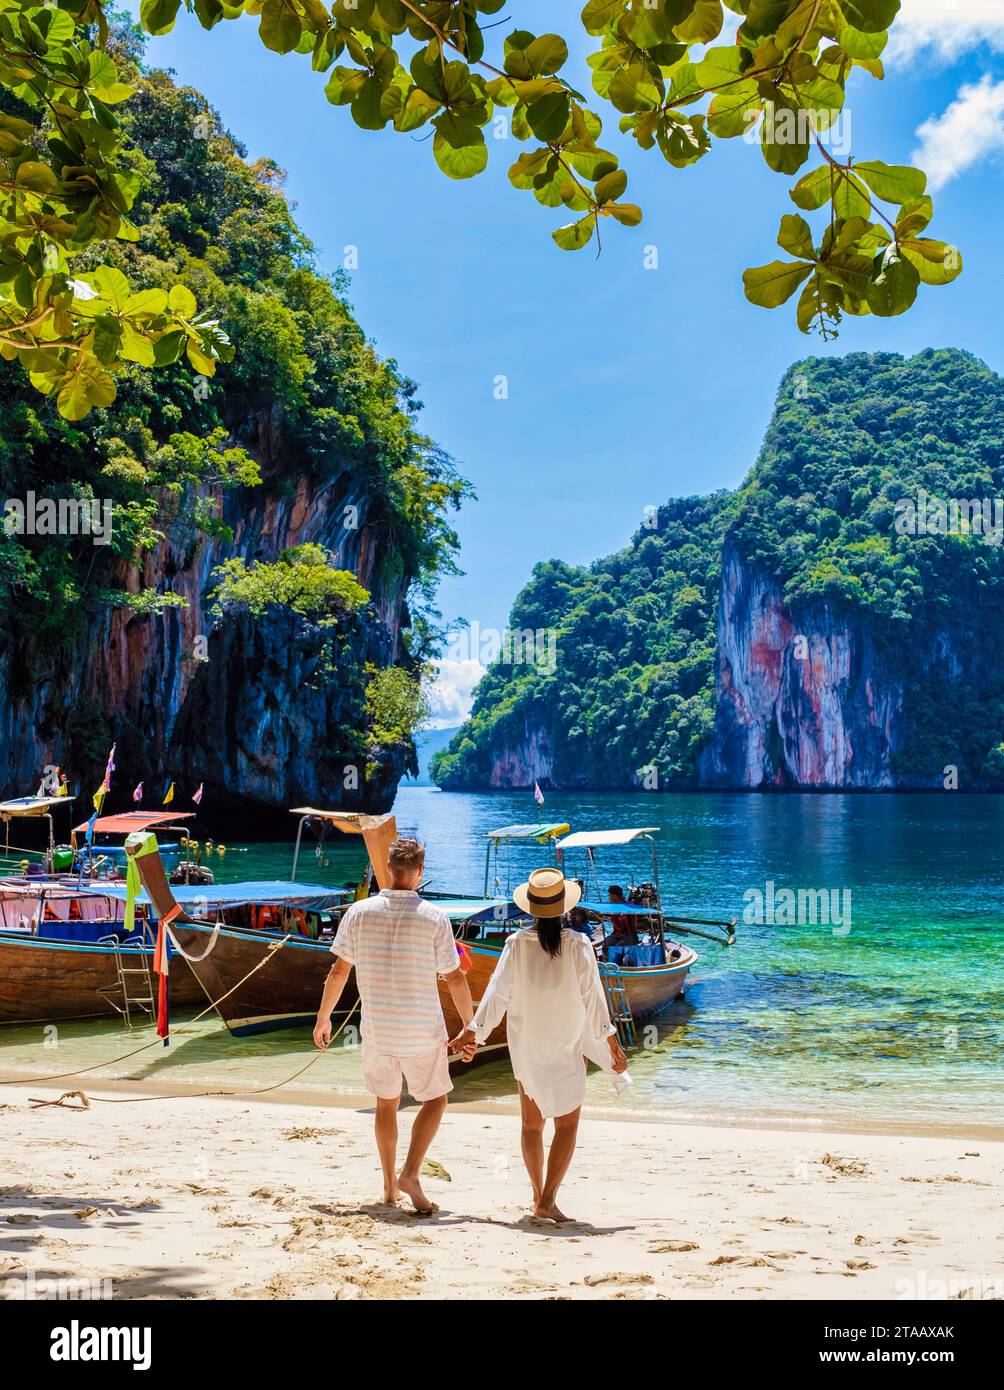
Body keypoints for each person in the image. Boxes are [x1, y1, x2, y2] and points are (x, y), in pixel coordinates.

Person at [451, 867, 630, 1224]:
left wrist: (474, 1032)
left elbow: (496, 996)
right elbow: (594, 999)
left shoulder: (516, 945)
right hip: (566, 1044)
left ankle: (538, 1197)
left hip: (527, 1046)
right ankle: (547, 1199)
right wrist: (612, 1043)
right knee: (566, 1126)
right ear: (564, 908)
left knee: (532, 1127)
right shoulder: (579, 944)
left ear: (531, 908)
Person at [313, 836, 474, 1214]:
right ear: (420, 872)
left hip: (378, 1030)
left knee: (386, 1104)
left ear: (388, 869)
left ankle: (389, 1188)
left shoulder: (358, 913)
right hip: (422, 1030)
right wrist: (469, 1025)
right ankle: (411, 1173)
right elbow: (455, 979)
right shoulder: (435, 918)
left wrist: (323, 1017)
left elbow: (338, 971)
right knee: (435, 1099)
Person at [605, 884, 638, 953]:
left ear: (614, 896)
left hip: (628, 936)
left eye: (609, 895)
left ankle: (618, 962)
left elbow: (632, 927)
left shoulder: (628, 907)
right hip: (617, 935)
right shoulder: (613, 907)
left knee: (618, 946)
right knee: (606, 943)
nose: (609, 898)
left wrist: (634, 940)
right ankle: (606, 962)